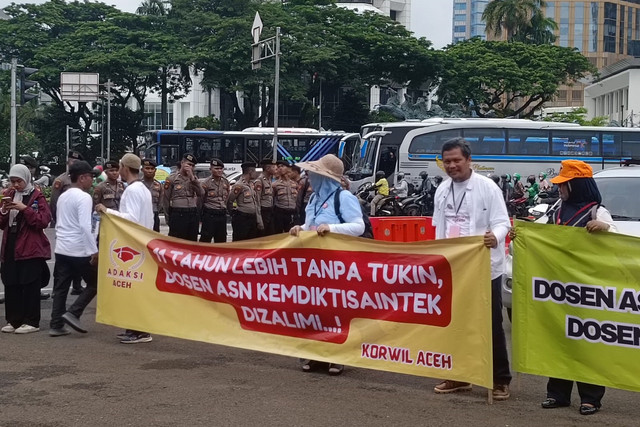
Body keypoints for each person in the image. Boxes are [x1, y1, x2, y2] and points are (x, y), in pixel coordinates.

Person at [431, 137, 511, 401]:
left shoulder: (487, 188)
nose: (452, 166)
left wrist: (495, 237)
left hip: (483, 266)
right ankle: (460, 375)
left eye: (456, 160)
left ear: (468, 160)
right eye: (447, 161)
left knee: (490, 323)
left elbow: (502, 222)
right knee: (455, 323)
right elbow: (438, 228)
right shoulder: (442, 189)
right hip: (452, 267)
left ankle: (499, 379)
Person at [538, 159, 615, 416]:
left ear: (578, 185)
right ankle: (557, 394)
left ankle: (591, 397)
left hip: (587, 292)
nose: (560, 189)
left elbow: (617, 244)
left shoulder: (597, 212)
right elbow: (539, 234)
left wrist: (605, 229)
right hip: (558, 289)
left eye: (565, 184)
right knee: (560, 341)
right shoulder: (557, 210)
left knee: (587, 343)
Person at [289, 154, 364, 375]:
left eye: (314, 174)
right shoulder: (313, 199)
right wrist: (300, 228)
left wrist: (333, 229)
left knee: (335, 311)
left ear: (325, 177)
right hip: (313, 265)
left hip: (336, 264)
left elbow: (358, 226)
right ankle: (314, 354)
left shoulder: (344, 197)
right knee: (312, 310)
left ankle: (337, 357)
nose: (309, 178)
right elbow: (311, 224)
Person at [96, 153, 154, 344]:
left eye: (120, 166)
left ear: (125, 168)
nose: (118, 169)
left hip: (134, 243)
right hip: (142, 241)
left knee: (134, 289)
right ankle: (137, 329)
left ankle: (138, 330)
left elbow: (132, 218)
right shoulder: (143, 189)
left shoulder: (132, 190)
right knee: (137, 288)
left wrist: (108, 211)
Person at [0, 164, 52, 334]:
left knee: (29, 283)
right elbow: (2, 224)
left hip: (30, 246)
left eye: (18, 181)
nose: (15, 185)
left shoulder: (37, 196)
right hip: (10, 244)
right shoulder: (8, 195)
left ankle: (31, 321)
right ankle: (14, 320)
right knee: (11, 281)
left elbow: (43, 220)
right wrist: (4, 211)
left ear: (26, 179)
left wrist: (25, 209)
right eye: (12, 181)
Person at [50, 161, 99, 337]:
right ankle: (74, 312)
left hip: (62, 247)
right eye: (90, 177)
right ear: (82, 178)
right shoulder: (84, 197)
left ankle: (56, 324)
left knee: (61, 287)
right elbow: (85, 226)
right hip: (78, 248)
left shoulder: (63, 195)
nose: (92, 181)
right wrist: (93, 250)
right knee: (95, 282)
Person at [163, 153, 203, 241]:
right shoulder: (172, 178)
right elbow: (166, 199)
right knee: (177, 241)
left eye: (192, 166)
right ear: (182, 163)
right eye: (188, 164)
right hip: (178, 213)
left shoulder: (194, 179)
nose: (190, 167)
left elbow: (201, 193)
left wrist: (192, 178)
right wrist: (168, 218)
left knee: (192, 241)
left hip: (192, 213)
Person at [227, 162, 263, 241]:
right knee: (240, 240)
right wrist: (233, 213)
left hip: (252, 218)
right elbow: (230, 200)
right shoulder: (239, 185)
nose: (255, 174)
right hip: (242, 218)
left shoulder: (251, 184)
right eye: (254, 171)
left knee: (250, 242)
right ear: (250, 171)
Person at [199, 158, 230, 243]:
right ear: (210, 170)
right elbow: (201, 200)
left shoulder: (225, 182)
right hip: (209, 215)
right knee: (206, 239)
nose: (219, 171)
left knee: (221, 239)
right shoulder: (206, 183)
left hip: (222, 214)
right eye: (216, 169)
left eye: (221, 168)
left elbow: (226, 197)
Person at [272, 161, 298, 233]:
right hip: (280, 212)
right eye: (279, 167)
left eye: (282, 166)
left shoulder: (294, 184)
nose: (280, 168)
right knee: (278, 234)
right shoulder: (275, 184)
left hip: (292, 212)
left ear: (288, 168)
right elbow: (272, 199)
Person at [254, 160, 276, 236]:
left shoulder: (269, 179)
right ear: (267, 168)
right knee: (262, 234)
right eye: (273, 167)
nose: (275, 168)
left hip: (270, 210)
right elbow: (257, 200)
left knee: (270, 234)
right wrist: (259, 219)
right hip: (263, 211)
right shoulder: (259, 180)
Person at [141, 159, 164, 232]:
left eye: (152, 169)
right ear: (142, 170)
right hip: (141, 215)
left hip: (154, 214)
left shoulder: (159, 185)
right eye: (147, 168)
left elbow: (161, 202)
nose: (150, 171)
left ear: (155, 170)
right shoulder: (138, 184)